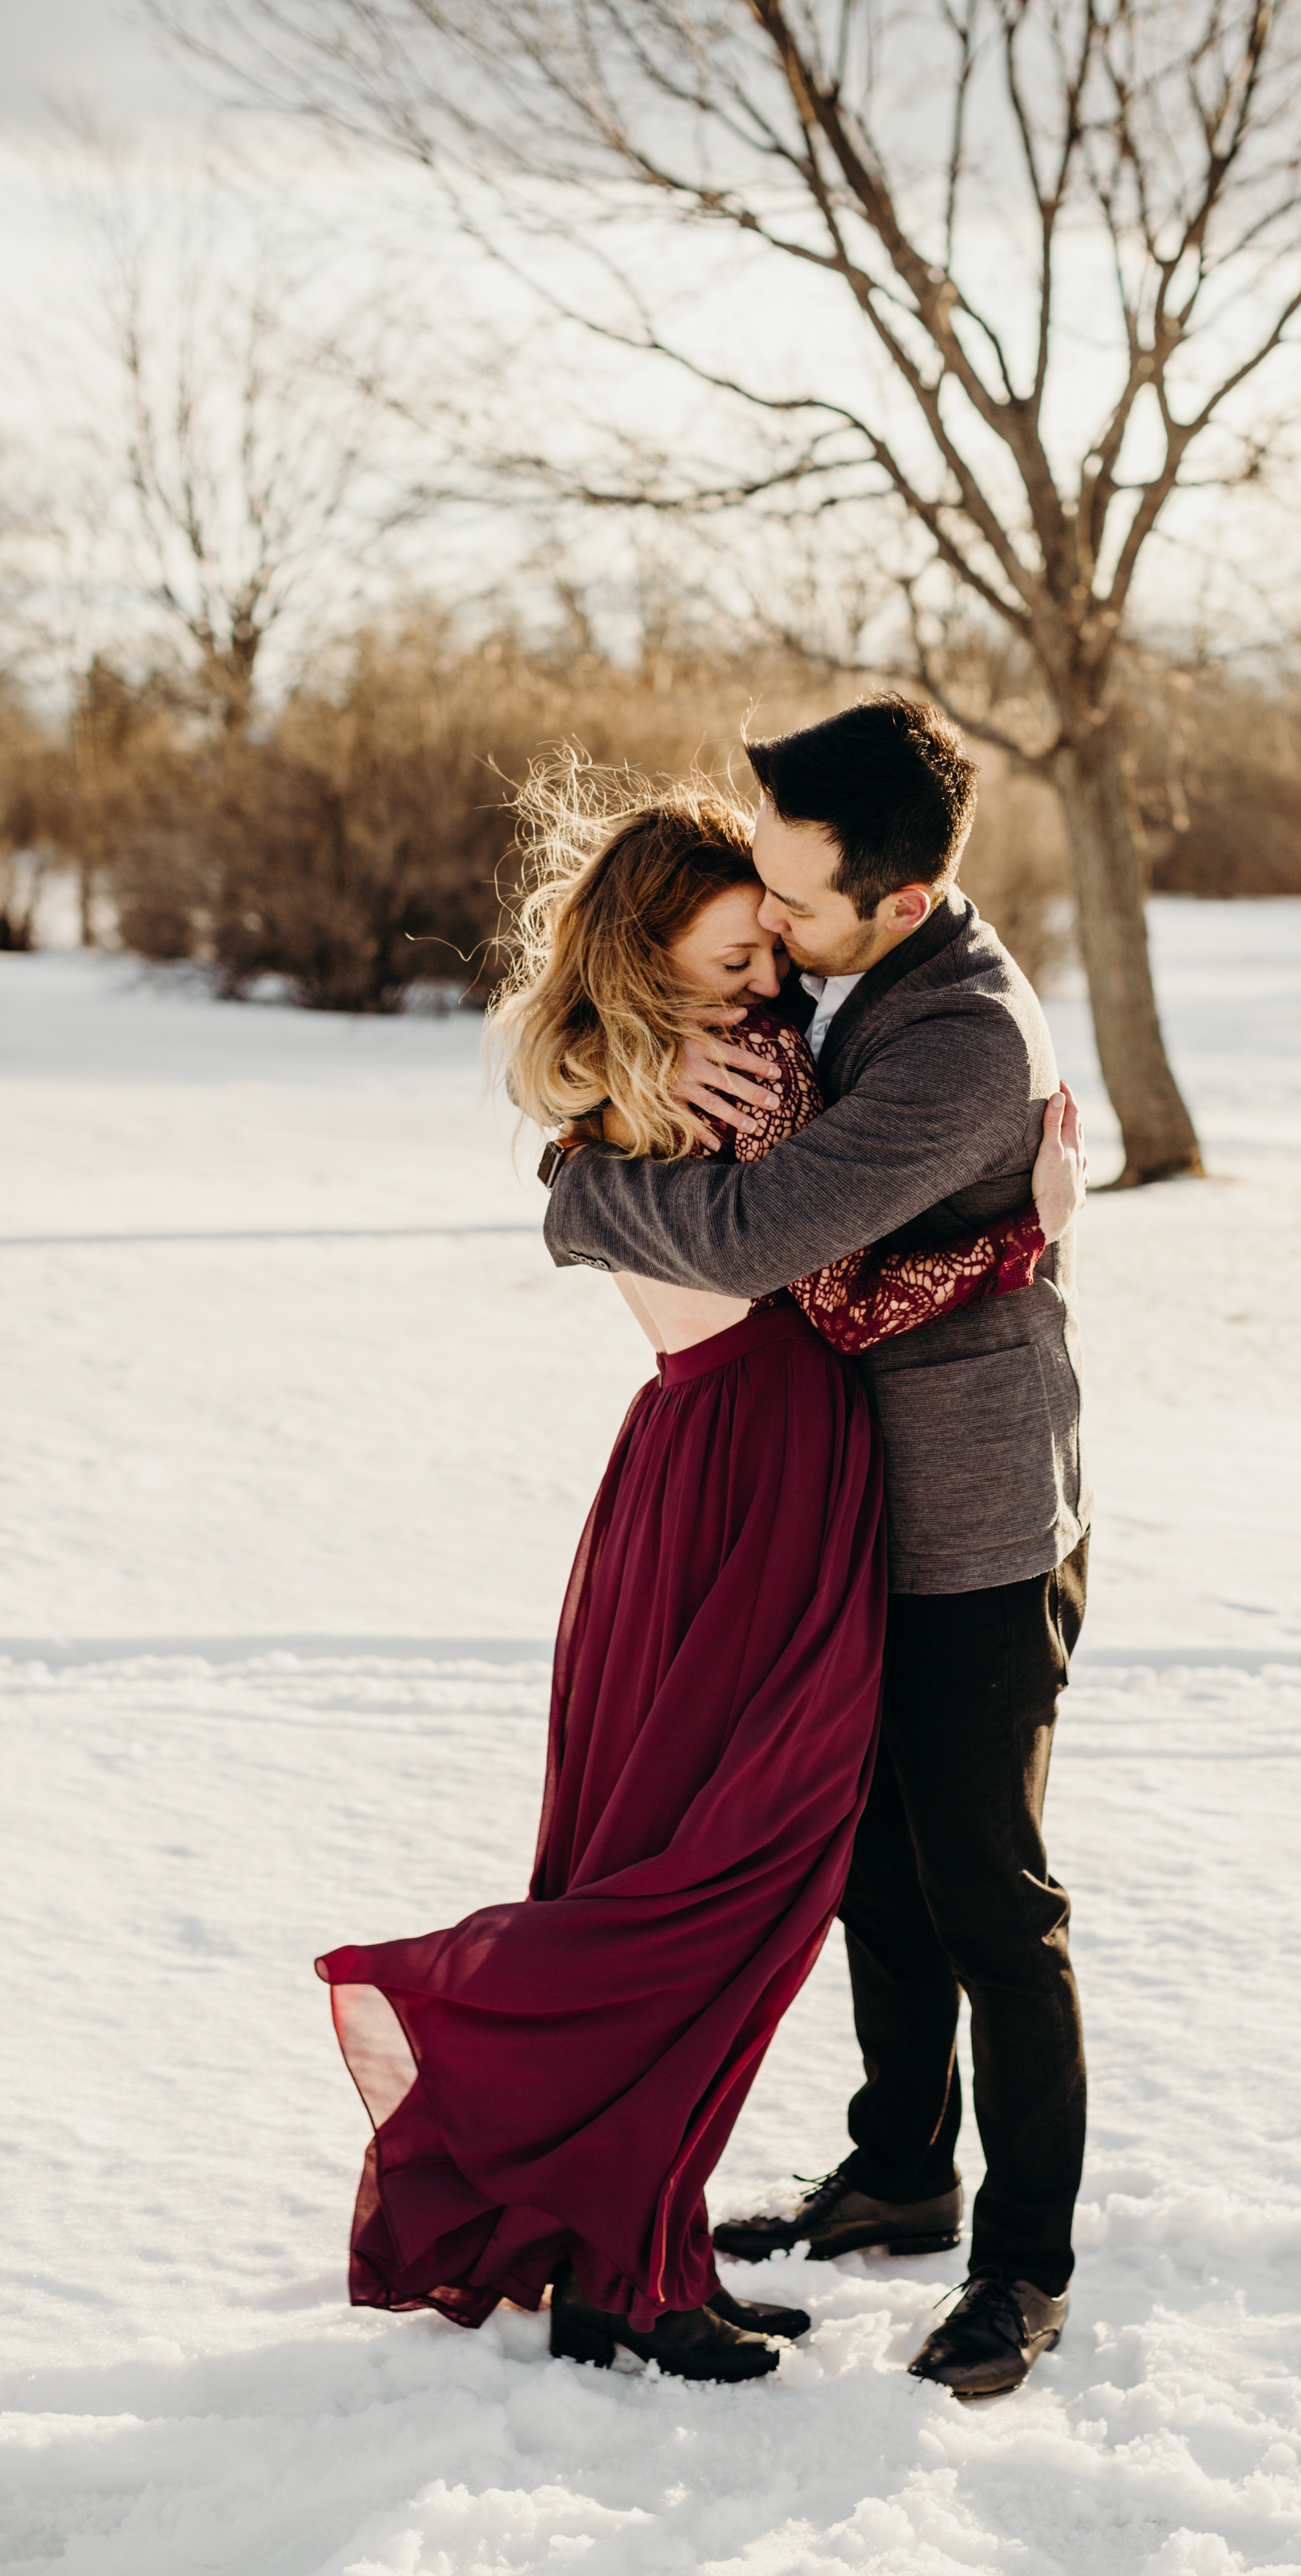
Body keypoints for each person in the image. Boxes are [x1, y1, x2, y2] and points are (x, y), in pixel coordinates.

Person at [314, 785, 1084, 2387]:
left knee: (708, 1866)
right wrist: (1027, 1233)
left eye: (769, 951)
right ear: (655, 962)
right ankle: (588, 2206)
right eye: (735, 959)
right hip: (756, 1484)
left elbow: (638, 1181)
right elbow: (842, 1293)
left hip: (716, 1475)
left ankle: (630, 2253)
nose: (769, 985)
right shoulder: (737, 1076)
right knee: (721, 1879)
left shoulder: (661, 1059)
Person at [543, 695, 1094, 2399]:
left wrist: (575, 1196)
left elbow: (778, 1231)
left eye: (791, 895)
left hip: (976, 1515)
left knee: (987, 1891)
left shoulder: (957, 1041)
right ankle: (899, 2166)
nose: (768, 922)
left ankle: (1023, 2265)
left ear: (899, 901)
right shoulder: (840, 971)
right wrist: (582, 1111)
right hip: (847, 1500)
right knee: (867, 1865)